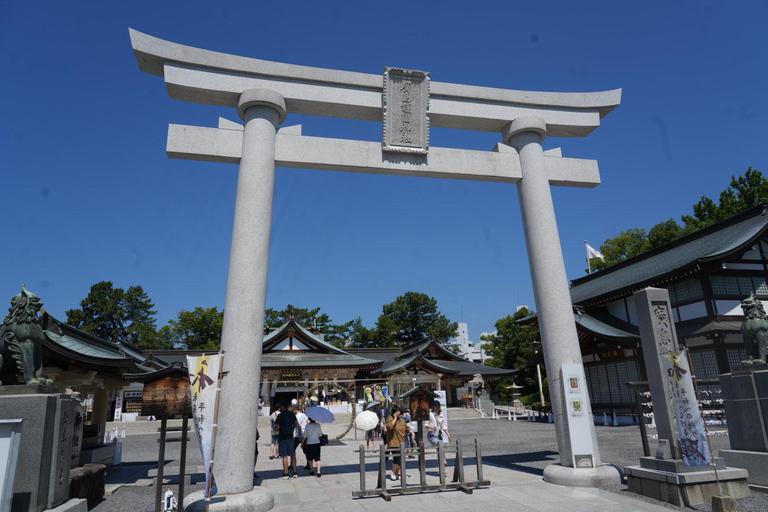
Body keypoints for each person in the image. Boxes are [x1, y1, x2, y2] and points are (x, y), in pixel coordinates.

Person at [385, 405, 411, 481]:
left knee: (401, 458)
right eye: (396, 411)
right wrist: (395, 418)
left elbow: (406, 428)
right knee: (396, 458)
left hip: (401, 442)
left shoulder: (402, 420)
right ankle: (393, 472)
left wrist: (411, 432)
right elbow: (390, 427)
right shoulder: (390, 419)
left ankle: (398, 472)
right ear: (393, 412)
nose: (398, 413)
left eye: (399, 411)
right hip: (393, 442)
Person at [275, 401, 301, 479]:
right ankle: (295, 472)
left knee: (284, 456)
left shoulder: (280, 415)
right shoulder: (292, 414)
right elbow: (297, 425)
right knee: (293, 455)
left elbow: (277, 427)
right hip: (290, 437)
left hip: (282, 437)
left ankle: (286, 473)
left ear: (282, 407)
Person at [427, 400, 451, 470]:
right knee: (439, 445)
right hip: (432, 434)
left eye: (438, 406)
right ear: (433, 407)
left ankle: (443, 463)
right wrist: (432, 427)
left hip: (439, 434)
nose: (437, 408)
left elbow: (443, 426)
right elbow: (426, 424)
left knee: (441, 448)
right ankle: (443, 461)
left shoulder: (441, 415)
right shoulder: (430, 414)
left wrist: (448, 434)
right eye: (436, 406)